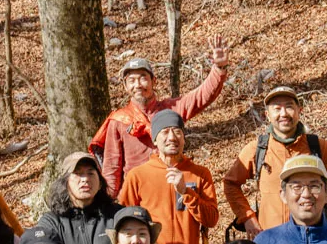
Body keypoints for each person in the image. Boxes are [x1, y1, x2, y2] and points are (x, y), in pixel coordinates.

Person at [90, 43, 229, 197]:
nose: (138, 85)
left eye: (143, 78)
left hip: (172, 190)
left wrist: (219, 69)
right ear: (125, 86)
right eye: (131, 80)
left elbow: (200, 96)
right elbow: (112, 168)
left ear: (153, 81)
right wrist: (109, 203)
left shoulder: (170, 109)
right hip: (137, 195)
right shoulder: (119, 120)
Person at [117, 110, 220, 244]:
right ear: (155, 139)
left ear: (184, 138)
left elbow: (211, 219)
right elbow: (123, 223)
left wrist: (186, 192)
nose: (172, 137)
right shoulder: (138, 176)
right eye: (165, 132)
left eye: (177, 132)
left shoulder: (200, 174)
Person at [225, 86, 327, 235]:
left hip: (315, 237)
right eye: (277, 109)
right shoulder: (257, 149)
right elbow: (231, 184)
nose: (283, 113)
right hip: (270, 237)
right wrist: (247, 217)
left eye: (289, 107)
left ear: (299, 110)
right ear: (267, 115)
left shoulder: (318, 146)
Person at [36, 151, 122, 244]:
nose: (85, 179)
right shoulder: (51, 222)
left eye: (90, 173)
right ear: (65, 182)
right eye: (78, 173)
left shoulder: (117, 214)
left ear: (100, 182)